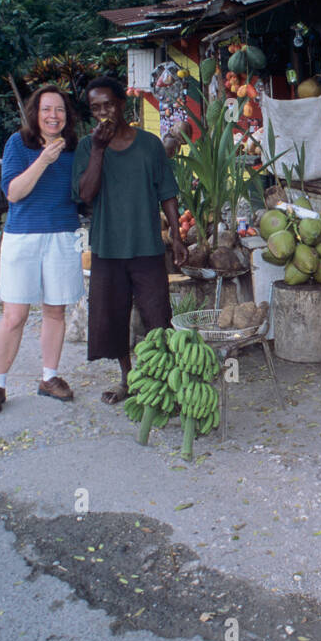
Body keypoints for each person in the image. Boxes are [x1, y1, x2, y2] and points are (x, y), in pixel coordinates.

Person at [73, 75, 187, 405]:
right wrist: (97, 149)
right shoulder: (86, 147)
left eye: (108, 104)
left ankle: (165, 378)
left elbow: (167, 192)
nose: (103, 113)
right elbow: (85, 194)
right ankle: (127, 378)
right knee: (112, 316)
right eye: (95, 108)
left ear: (123, 104)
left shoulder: (149, 144)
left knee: (157, 315)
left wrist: (177, 237)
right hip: (108, 247)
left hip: (147, 246)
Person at [0, 85, 84, 415]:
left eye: (60, 110)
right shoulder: (18, 144)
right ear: (34, 114)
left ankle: (49, 377)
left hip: (63, 236)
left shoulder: (75, 149)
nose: (53, 116)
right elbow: (13, 192)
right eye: (46, 109)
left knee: (55, 311)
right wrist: (43, 159)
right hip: (22, 238)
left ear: (67, 116)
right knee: (15, 315)